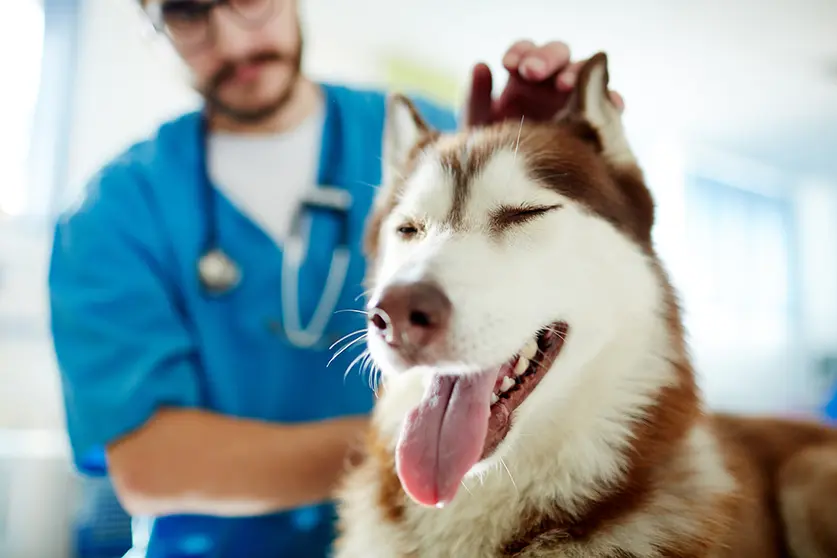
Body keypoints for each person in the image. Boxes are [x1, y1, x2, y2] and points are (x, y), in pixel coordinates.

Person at [47, 0, 624, 556]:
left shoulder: (441, 139)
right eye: (185, 10)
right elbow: (152, 467)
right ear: (150, 22)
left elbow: (598, 307)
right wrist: (426, 445)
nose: (232, 39)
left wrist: (560, 166)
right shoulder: (112, 213)